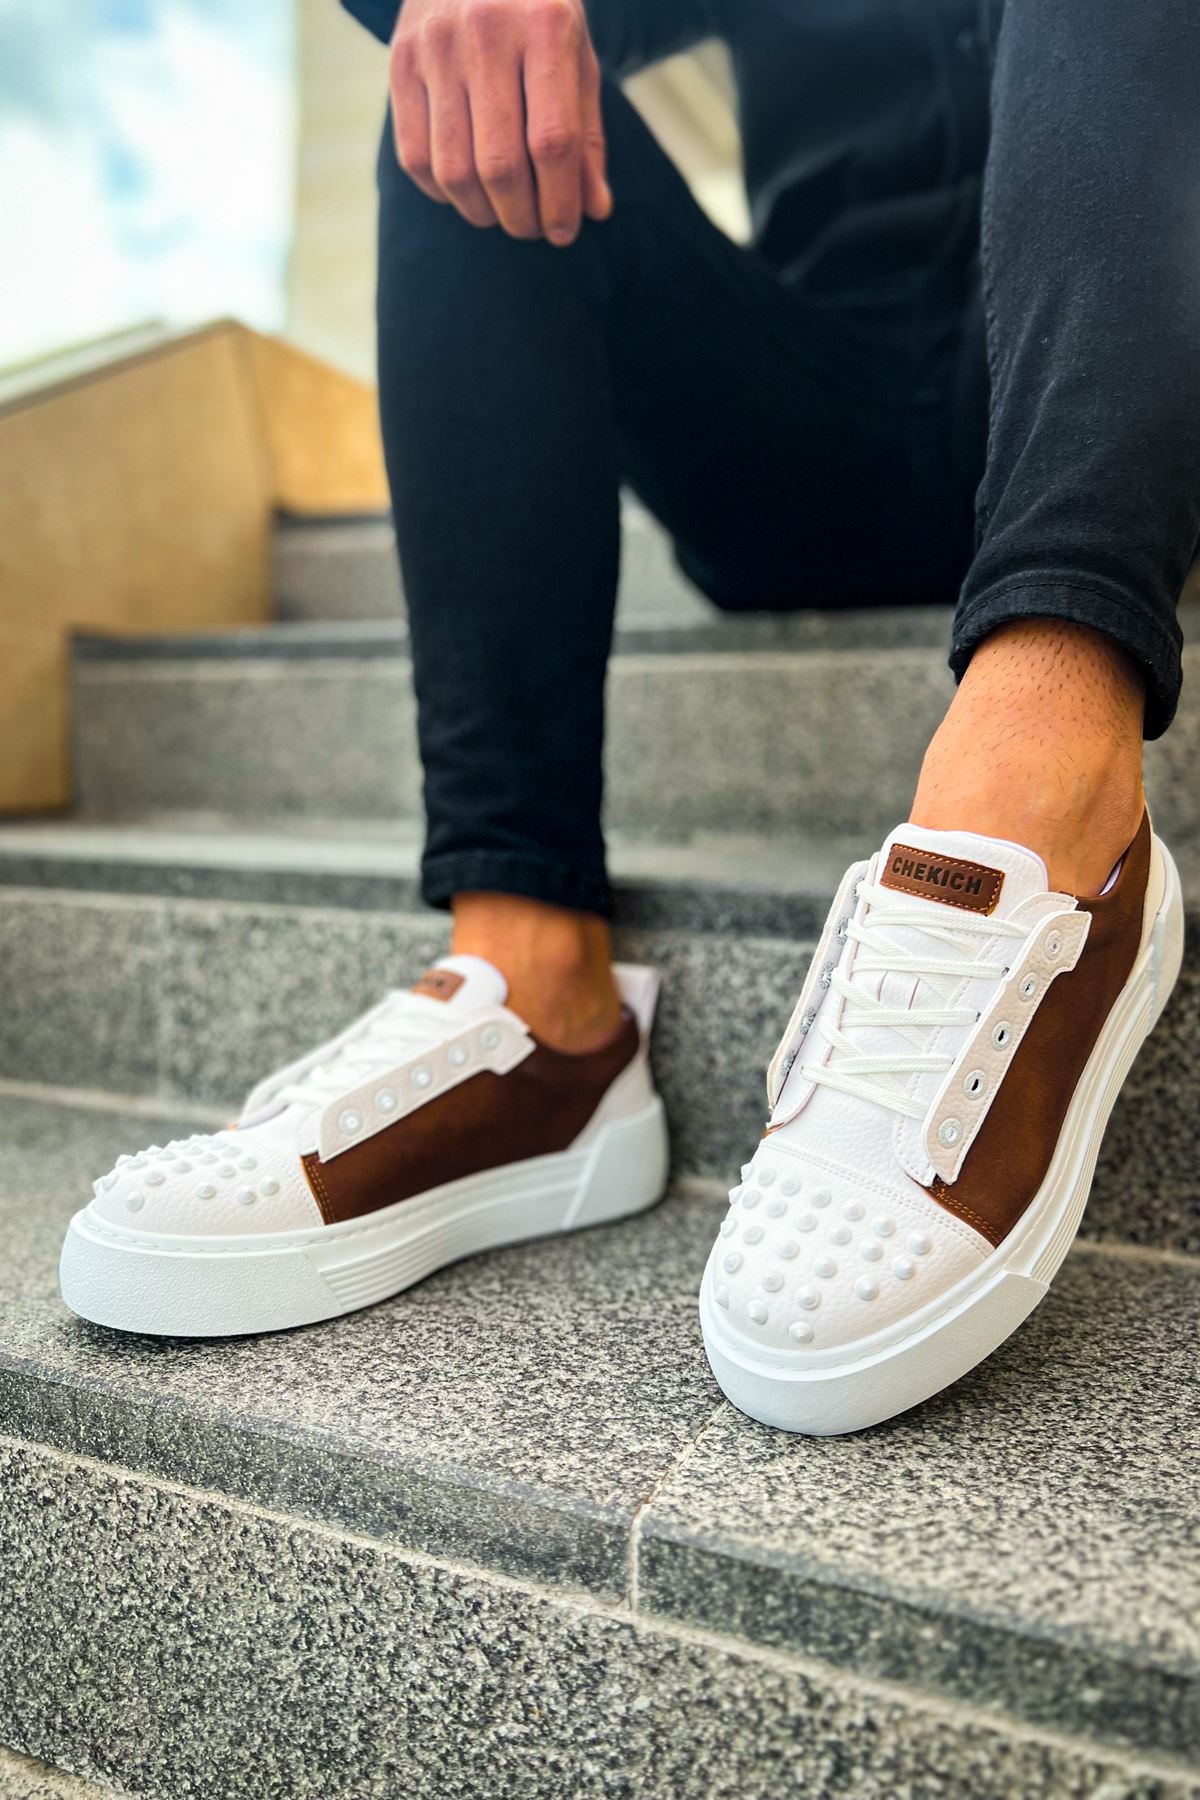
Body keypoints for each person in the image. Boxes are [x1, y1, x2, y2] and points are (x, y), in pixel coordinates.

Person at [59, 0, 1194, 1434]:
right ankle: (533, 984)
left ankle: (1044, 782)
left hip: (1127, 401)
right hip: (813, 447)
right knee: (472, 83)